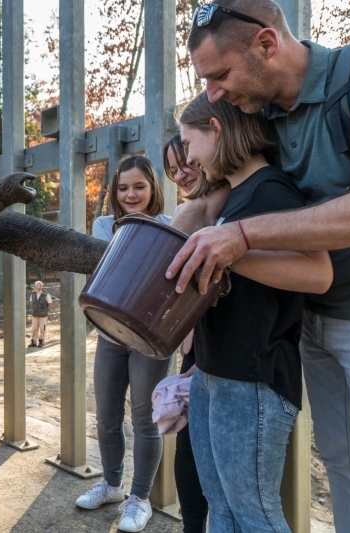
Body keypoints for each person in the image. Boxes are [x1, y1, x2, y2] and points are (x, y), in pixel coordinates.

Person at [167, 2, 350, 531]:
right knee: (341, 466)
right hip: (309, 322)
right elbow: (223, 183)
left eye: (219, 75)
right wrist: (196, 208)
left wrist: (241, 236)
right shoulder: (258, 111)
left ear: (266, 44)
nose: (212, 92)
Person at [178, 90, 332, 532]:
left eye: (191, 143)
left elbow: (317, 272)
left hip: (254, 377)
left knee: (255, 513)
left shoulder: (272, 190)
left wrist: (229, 253)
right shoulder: (234, 195)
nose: (189, 158)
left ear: (217, 129)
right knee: (220, 506)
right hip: (213, 371)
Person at [76, 155, 170, 533]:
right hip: (111, 334)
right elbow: (113, 268)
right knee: (106, 415)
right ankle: (112, 485)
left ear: (153, 189)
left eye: (139, 186)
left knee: (145, 419)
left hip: (150, 337)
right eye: (123, 188)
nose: (131, 194)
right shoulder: (104, 224)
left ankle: (140, 499)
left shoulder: (169, 224)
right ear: (115, 192)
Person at [163, 134, 209, 533]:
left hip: (230, 351)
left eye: (187, 161)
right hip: (196, 349)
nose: (182, 173)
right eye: (173, 169)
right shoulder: (196, 208)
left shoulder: (211, 206)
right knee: (188, 449)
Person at [28, 281, 52, 347]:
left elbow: (50, 303)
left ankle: (41, 341)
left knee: (43, 328)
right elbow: (31, 302)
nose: (36, 287)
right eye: (35, 285)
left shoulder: (46, 294)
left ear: (41, 286)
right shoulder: (32, 294)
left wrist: (45, 309)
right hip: (35, 314)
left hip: (43, 315)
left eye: (38, 285)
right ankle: (33, 341)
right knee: (34, 328)